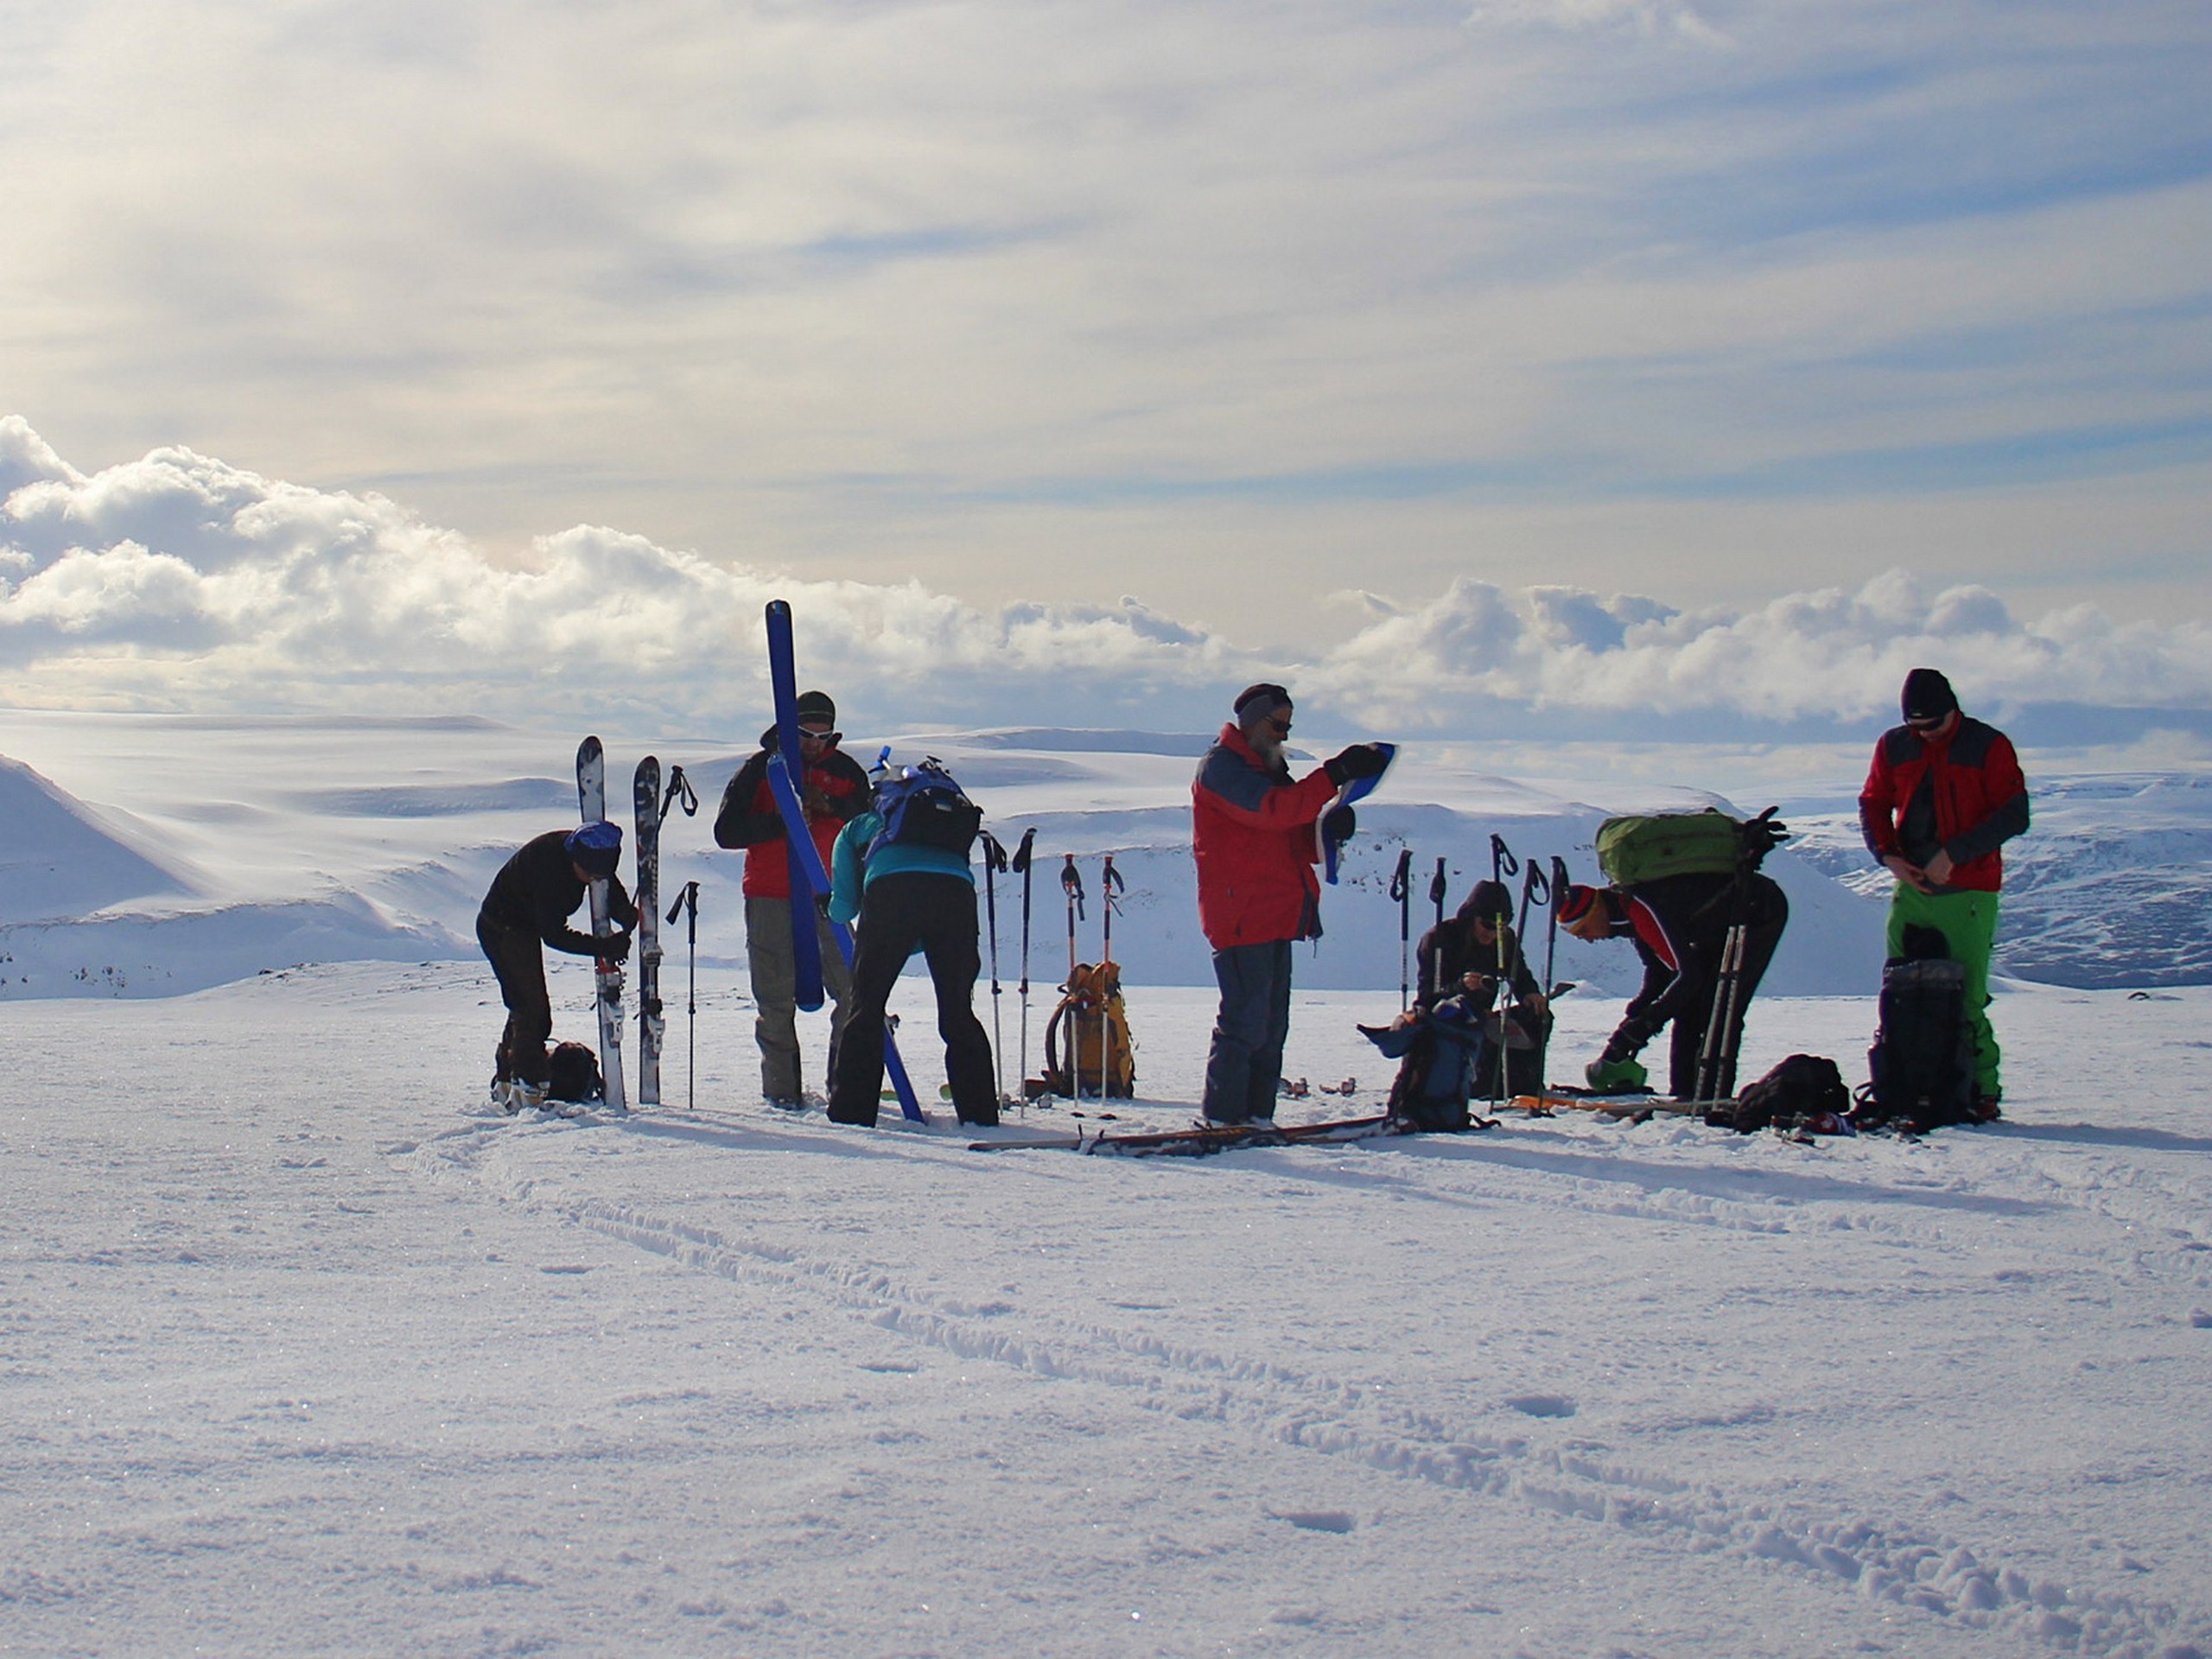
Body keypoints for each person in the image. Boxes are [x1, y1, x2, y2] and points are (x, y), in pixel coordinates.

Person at [1192, 683, 1390, 1125]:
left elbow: (1290, 834)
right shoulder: (1223, 769)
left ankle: (1257, 1116)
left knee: (1269, 1028)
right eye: (1278, 724)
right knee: (1244, 1022)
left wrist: (1328, 828)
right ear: (1255, 722)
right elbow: (1274, 812)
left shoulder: (1263, 767)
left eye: (1288, 725)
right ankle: (1224, 1119)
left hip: (1276, 911)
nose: (1284, 734)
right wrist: (1332, 775)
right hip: (1242, 914)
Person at [1857, 667, 2028, 1117]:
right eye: (1917, 727)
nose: (1926, 734)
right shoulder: (1894, 745)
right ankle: (1905, 1082)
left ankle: (1982, 1092)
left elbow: (2014, 815)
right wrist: (1887, 855)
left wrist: (1954, 854)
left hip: (1969, 888)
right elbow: (1873, 801)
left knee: (1967, 998)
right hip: (1910, 883)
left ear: (1953, 710)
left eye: (1933, 725)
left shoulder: (1988, 746)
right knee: (1899, 987)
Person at [713, 690, 871, 1108]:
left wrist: (829, 805)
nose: (815, 744)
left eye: (825, 735)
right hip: (770, 893)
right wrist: (781, 822)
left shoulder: (846, 770)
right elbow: (727, 831)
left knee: (854, 992)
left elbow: (869, 820)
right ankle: (782, 1094)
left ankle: (846, 1089)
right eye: (805, 734)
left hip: (829, 893)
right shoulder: (761, 769)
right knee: (775, 999)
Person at [823, 764, 997, 1128]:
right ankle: (980, 1113)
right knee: (958, 1011)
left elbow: (844, 909)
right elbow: (930, 909)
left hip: (891, 892)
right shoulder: (944, 828)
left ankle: (852, 1114)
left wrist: (829, 905)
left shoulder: (861, 827)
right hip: (956, 895)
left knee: (866, 1007)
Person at [1560, 868, 1787, 1101]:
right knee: (1690, 1009)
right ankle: (1686, 1093)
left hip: (1755, 909)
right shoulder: (1628, 910)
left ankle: (1710, 1097)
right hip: (1718, 922)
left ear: (1597, 909)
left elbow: (1688, 978)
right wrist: (1631, 1026)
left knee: (1718, 1008)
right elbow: (1658, 975)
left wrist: (1643, 1025)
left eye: (1584, 929)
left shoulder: (1640, 908)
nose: (1587, 939)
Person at [475, 821, 636, 1109]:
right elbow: (554, 935)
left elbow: (607, 884)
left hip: (522, 928)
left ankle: (508, 1078)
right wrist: (603, 946)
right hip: (502, 927)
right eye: (588, 874)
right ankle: (529, 1082)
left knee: (526, 1004)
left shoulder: (591, 852)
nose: (591, 880)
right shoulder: (549, 869)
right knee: (531, 1008)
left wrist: (626, 916)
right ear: (576, 860)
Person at [1414, 877, 1550, 1097]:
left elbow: (1519, 975)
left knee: (1538, 1015)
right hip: (1453, 1020)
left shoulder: (1505, 940)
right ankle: (1482, 1083)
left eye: (1500, 927)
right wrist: (1462, 987)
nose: (1493, 933)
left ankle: (1528, 1083)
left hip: (1487, 1019)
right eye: (1487, 925)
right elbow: (1426, 998)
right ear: (1472, 918)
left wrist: (1531, 994)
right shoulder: (1439, 939)